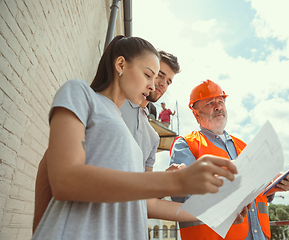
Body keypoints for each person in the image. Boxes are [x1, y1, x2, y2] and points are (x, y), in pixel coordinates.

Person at [31, 36, 244, 240]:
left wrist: (216, 211)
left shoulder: (143, 137)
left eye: (163, 80)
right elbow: (64, 178)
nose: (154, 86)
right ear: (121, 65)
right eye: (150, 74)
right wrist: (174, 181)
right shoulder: (82, 94)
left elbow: (146, 204)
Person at [32, 49, 182, 234]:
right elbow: (52, 163)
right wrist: (42, 228)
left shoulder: (153, 136)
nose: (160, 84)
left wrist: (170, 180)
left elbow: (142, 196)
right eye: (159, 74)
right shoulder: (108, 103)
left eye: (168, 81)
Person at [170, 79, 289, 240]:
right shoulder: (186, 144)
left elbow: (254, 192)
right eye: (210, 103)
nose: (218, 106)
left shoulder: (243, 146)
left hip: (259, 234)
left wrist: (273, 184)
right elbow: (183, 195)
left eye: (221, 101)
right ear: (196, 113)